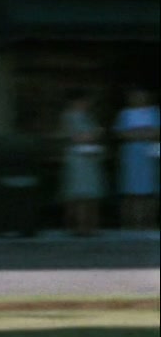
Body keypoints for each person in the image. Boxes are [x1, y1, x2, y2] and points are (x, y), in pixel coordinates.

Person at [57, 92, 105, 236]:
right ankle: (78, 226)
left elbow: (96, 133)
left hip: (91, 159)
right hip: (77, 160)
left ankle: (91, 226)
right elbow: (75, 137)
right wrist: (93, 135)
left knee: (91, 194)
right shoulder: (68, 117)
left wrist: (94, 135)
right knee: (78, 194)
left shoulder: (89, 117)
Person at [113, 88, 159, 232]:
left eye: (141, 96)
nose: (139, 99)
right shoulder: (125, 114)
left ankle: (149, 222)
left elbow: (156, 132)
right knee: (130, 190)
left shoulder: (154, 112)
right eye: (135, 96)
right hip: (131, 155)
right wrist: (143, 133)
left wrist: (137, 134)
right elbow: (121, 133)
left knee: (150, 190)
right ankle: (131, 223)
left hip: (150, 154)